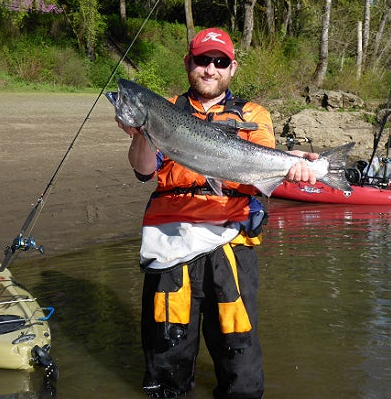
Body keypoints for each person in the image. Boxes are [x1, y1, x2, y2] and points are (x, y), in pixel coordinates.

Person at [117, 27, 318, 398]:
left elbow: (265, 166)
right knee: (167, 357)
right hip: (169, 241)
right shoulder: (165, 108)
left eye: (219, 61)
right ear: (188, 63)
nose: (210, 69)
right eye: (202, 60)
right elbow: (143, 170)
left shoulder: (254, 114)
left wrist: (298, 167)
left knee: (238, 357)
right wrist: (141, 132)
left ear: (232, 68)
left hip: (231, 242)